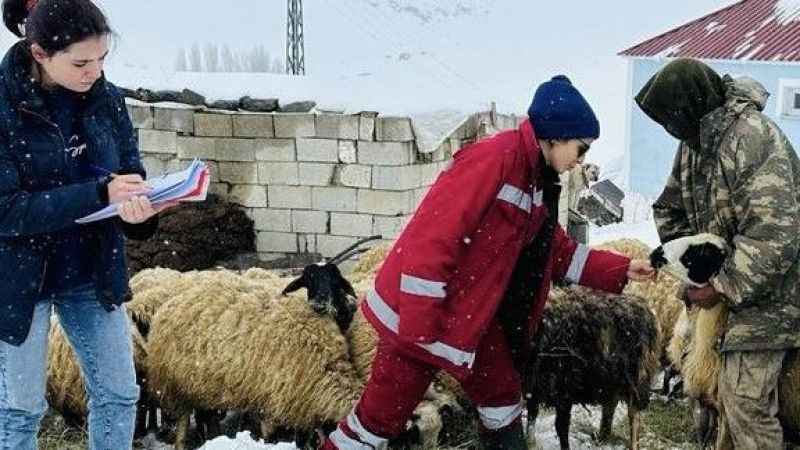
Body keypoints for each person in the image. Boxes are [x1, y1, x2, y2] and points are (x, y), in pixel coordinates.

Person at [320, 75, 655, 450]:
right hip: (423, 316)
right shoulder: (495, 160)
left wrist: (621, 269)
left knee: (502, 397)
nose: (581, 160)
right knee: (378, 420)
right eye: (581, 148)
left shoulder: (535, 181)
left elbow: (555, 251)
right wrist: (420, 329)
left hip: (470, 317)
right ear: (557, 137)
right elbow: (433, 237)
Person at [0, 0, 176, 448]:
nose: (94, 72)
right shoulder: (3, 106)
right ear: (39, 53)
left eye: (102, 59)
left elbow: (128, 174)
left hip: (90, 266)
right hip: (18, 277)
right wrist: (98, 194)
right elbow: (7, 211)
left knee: (119, 393)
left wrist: (140, 211)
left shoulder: (106, 99)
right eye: (81, 63)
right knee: (20, 409)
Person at [636, 58, 800, 449]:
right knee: (723, 396)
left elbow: (775, 232)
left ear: (690, 106)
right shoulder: (695, 144)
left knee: (745, 402)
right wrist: (692, 268)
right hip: (729, 292)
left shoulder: (753, 139)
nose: (669, 129)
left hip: (775, 294)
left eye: (671, 119)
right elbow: (670, 208)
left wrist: (722, 285)